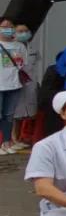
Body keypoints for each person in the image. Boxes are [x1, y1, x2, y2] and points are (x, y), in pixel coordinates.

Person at [0, 16, 30, 153]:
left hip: (14, 85)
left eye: (11, 27)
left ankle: (6, 143)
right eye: (5, 27)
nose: (9, 29)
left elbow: (24, 64)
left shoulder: (20, 46)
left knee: (9, 115)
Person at [11, 21, 41, 150]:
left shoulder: (33, 49)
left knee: (25, 113)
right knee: (14, 113)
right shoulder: (9, 48)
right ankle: (12, 139)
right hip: (14, 83)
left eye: (26, 31)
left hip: (30, 84)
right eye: (20, 31)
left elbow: (35, 66)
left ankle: (18, 138)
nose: (24, 33)